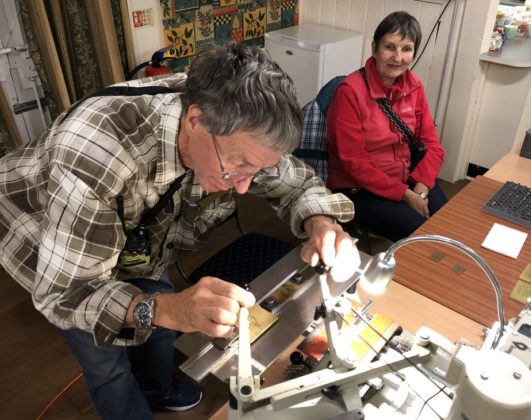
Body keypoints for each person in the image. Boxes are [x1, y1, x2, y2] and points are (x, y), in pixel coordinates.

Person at [0, 43, 360, 419]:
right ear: (194, 122)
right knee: (106, 361)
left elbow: (296, 184)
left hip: (140, 236)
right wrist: (167, 309)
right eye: (238, 166)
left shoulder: (236, 123)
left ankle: (157, 390)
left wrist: (320, 223)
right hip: (47, 235)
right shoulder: (93, 154)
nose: (243, 187)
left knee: (161, 306)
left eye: (254, 171)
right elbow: (67, 294)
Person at [327, 11, 447, 242]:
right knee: (423, 235)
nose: (398, 57)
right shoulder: (350, 92)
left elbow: (432, 145)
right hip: (360, 189)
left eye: (407, 49)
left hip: (407, 178)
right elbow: (353, 163)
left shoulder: (415, 87)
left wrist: (420, 190)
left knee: (446, 220)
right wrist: (404, 194)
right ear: (374, 48)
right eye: (389, 47)